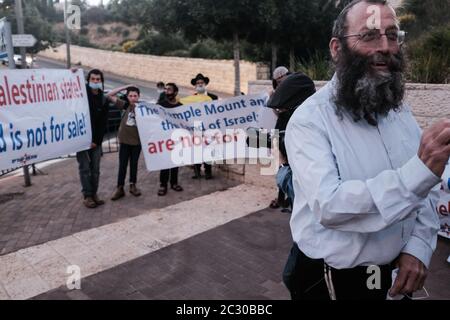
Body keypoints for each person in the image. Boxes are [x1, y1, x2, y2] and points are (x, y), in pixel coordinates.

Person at [285, 0, 449, 300]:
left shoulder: (398, 111)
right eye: (370, 36)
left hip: (396, 278)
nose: (385, 47)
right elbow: (331, 205)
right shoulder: (309, 121)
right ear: (337, 48)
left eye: (392, 35)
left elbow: (426, 189)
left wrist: (417, 247)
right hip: (333, 283)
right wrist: (419, 172)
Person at [76, 69, 127, 209]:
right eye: (93, 79)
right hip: (81, 140)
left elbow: (102, 123)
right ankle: (87, 196)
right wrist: (72, 73)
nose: (95, 82)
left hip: (96, 141)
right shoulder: (81, 94)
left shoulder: (102, 99)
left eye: (98, 79)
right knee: (84, 168)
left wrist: (96, 141)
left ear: (101, 81)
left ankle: (94, 194)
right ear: (88, 81)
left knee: (96, 169)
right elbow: (69, 86)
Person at [110, 86, 143, 201]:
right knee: (122, 165)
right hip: (124, 141)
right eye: (130, 96)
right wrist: (125, 87)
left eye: (135, 96)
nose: (133, 98)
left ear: (139, 96)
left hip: (137, 142)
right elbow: (109, 95)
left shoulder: (143, 108)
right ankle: (120, 188)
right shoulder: (125, 105)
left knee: (134, 164)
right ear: (127, 96)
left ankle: (132, 185)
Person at [269, 66, 291, 210]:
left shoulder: (295, 89)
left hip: (292, 128)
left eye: (282, 79)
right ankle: (281, 197)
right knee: (280, 164)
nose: (281, 83)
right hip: (280, 127)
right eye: (278, 81)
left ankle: (291, 196)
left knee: (291, 163)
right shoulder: (276, 93)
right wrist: (273, 102)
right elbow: (278, 114)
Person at [157, 83, 184, 196]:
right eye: (166, 89)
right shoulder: (160, 105)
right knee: (165, 162)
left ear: (175, 92)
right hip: (164, 139)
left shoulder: (181, 106)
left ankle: (174, 183)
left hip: (176, 138)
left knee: (175, 161)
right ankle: (163, 185)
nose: (167, 91)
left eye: (169, 89)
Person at [190, 73, 218, 180]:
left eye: (201, 83)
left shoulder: (213, 97)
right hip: (197, 126)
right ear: (195, 85)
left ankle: (208, 172)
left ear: (205, 84)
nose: (200, 84)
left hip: (209, 126)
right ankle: (197, 172)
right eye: (198, 83)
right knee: (197, 149)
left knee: (208, 149)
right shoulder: (191, 98)